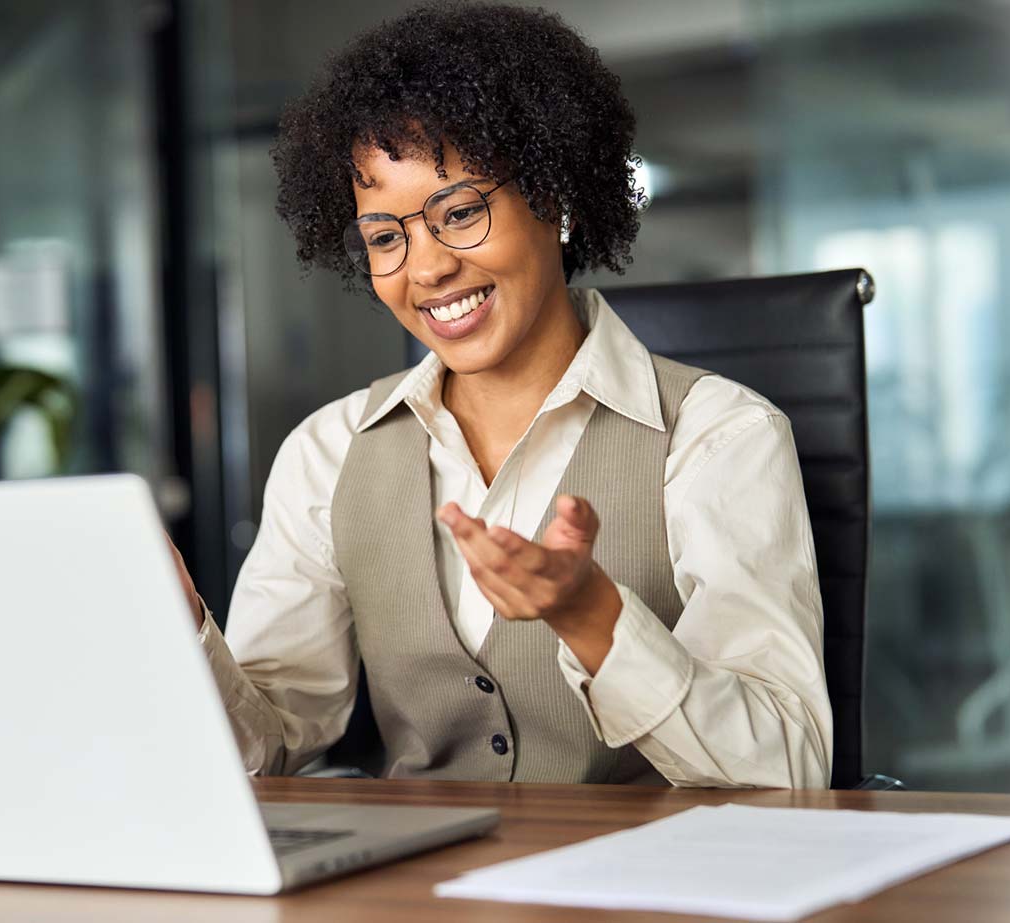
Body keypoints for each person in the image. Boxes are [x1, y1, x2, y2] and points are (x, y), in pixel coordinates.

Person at [179, 2, 830, 788]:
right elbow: (268, 749)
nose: (427, 268)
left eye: (459, 212)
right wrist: (181, 626)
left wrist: (592, 616)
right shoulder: (328, 452)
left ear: (555, 198)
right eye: (385, 237)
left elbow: (788, 770)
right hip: (421, 867)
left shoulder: (719, 436)